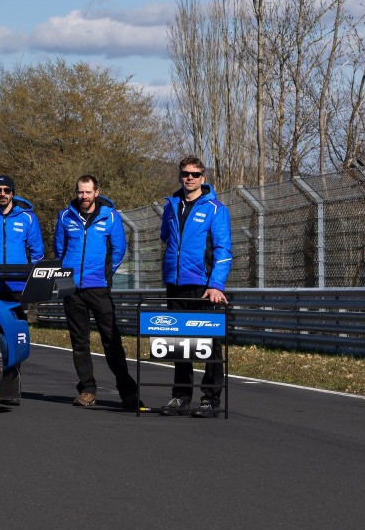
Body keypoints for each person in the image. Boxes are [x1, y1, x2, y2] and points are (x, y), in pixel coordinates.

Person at [54, 175, 142, 410]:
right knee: (79, 342)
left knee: (112, 341)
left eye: (88, 192)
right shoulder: (64, 216)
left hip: (99, 287)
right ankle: (87, 390)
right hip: (72, 289)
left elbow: (119, 248)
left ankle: (128, 393)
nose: (84, 197)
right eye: (80, 192)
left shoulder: (110, 216)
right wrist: (65, 279)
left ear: (96, 192)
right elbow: (60, 250)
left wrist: (105, 274)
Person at [159, 157, 232, 418]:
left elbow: (223, 250)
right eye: (185, 174)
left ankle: (210, 399)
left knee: (209, 343)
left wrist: (216, 284)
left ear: (203, 178)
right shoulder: (171, 206)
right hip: (175, 283)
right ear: (180, 176)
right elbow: (166, 238)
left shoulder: (215, 209)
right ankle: (180, 397)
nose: (189, 178)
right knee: (180, 342)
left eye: (195, 174)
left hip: (203, 286)